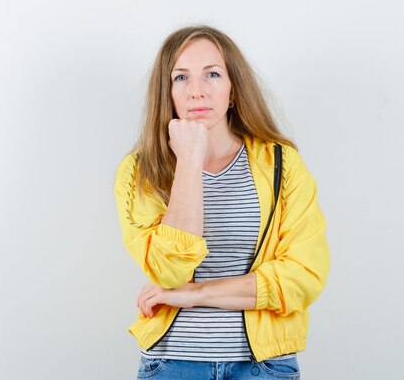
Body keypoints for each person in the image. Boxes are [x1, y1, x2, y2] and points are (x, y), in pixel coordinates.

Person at [113, 25, 330, 379]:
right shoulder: (140, 171)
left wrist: (196, 294)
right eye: (181, 77)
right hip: (172, 364)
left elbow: (304, 276)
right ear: (167, 93)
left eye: (212, 74)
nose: (197, 91)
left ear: (232, 90)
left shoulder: (281, 164)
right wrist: (188, 161)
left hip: (263, 366)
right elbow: (169, 271)